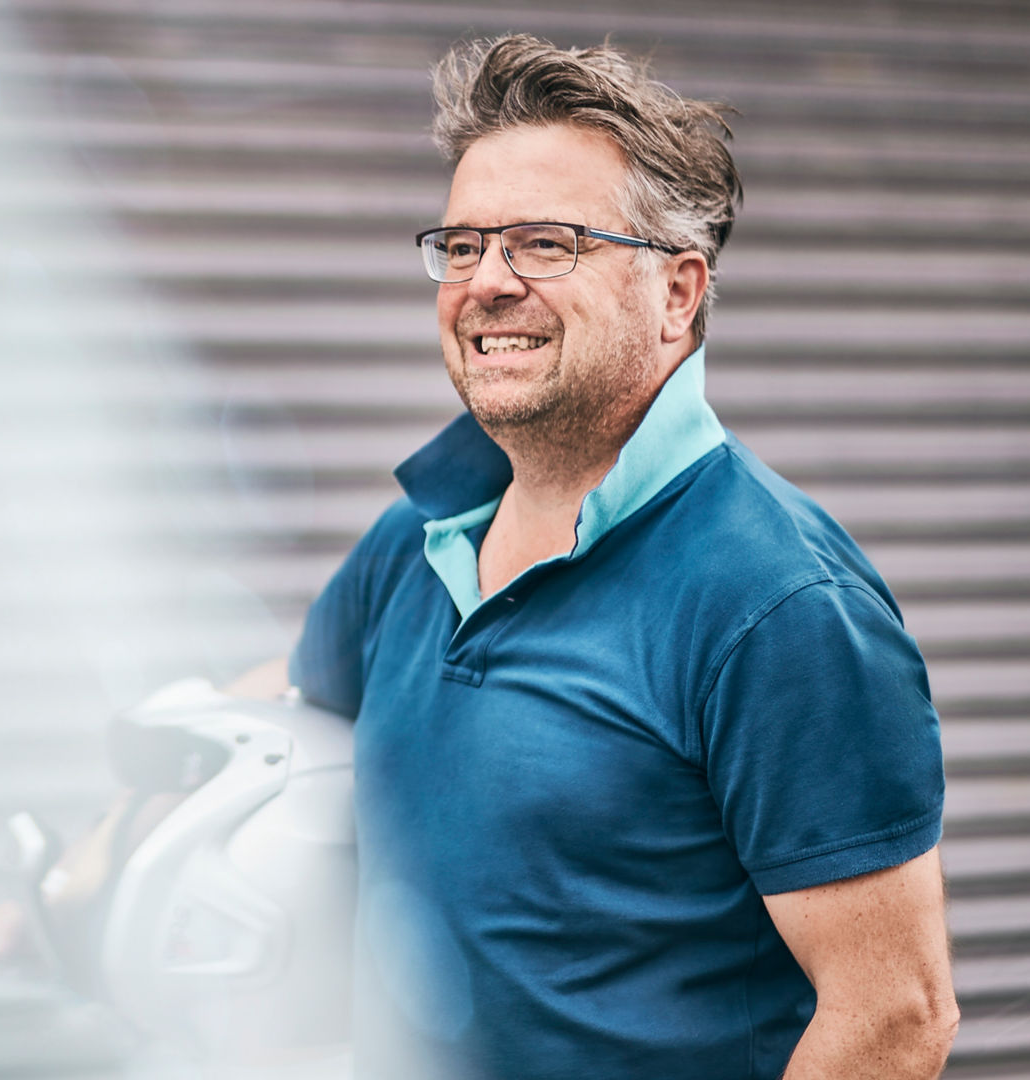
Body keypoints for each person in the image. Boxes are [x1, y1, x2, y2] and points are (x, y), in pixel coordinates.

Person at [279, 35, 958, 1080]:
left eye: (544, 243)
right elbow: (289, 711)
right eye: (461, 246)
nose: (486, 282)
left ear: (677, 294)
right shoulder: (416, 540)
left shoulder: (776, 604)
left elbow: (895, 1019)